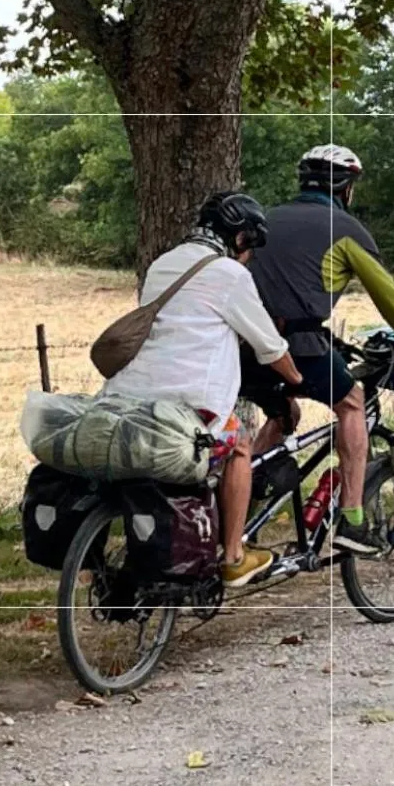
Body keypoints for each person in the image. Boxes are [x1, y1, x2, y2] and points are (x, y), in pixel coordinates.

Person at [242, 144, 394, 554]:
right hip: (299, 347)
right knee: (351, 402)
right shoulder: (345, 229)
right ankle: (353, 521)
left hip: (244, 346)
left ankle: (241, 512)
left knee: (285, 411)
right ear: (346, 189)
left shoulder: (265, 220)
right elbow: (391, 300)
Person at [100, 192, 303, 587]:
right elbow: (270, 347)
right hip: (190, 403)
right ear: (241, 238)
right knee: (240, 444)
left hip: (134, 394)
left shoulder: (164, 264)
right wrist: (295, 379)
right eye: (252, 245)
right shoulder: (230, 274)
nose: (250, 255)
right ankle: (233, 556)